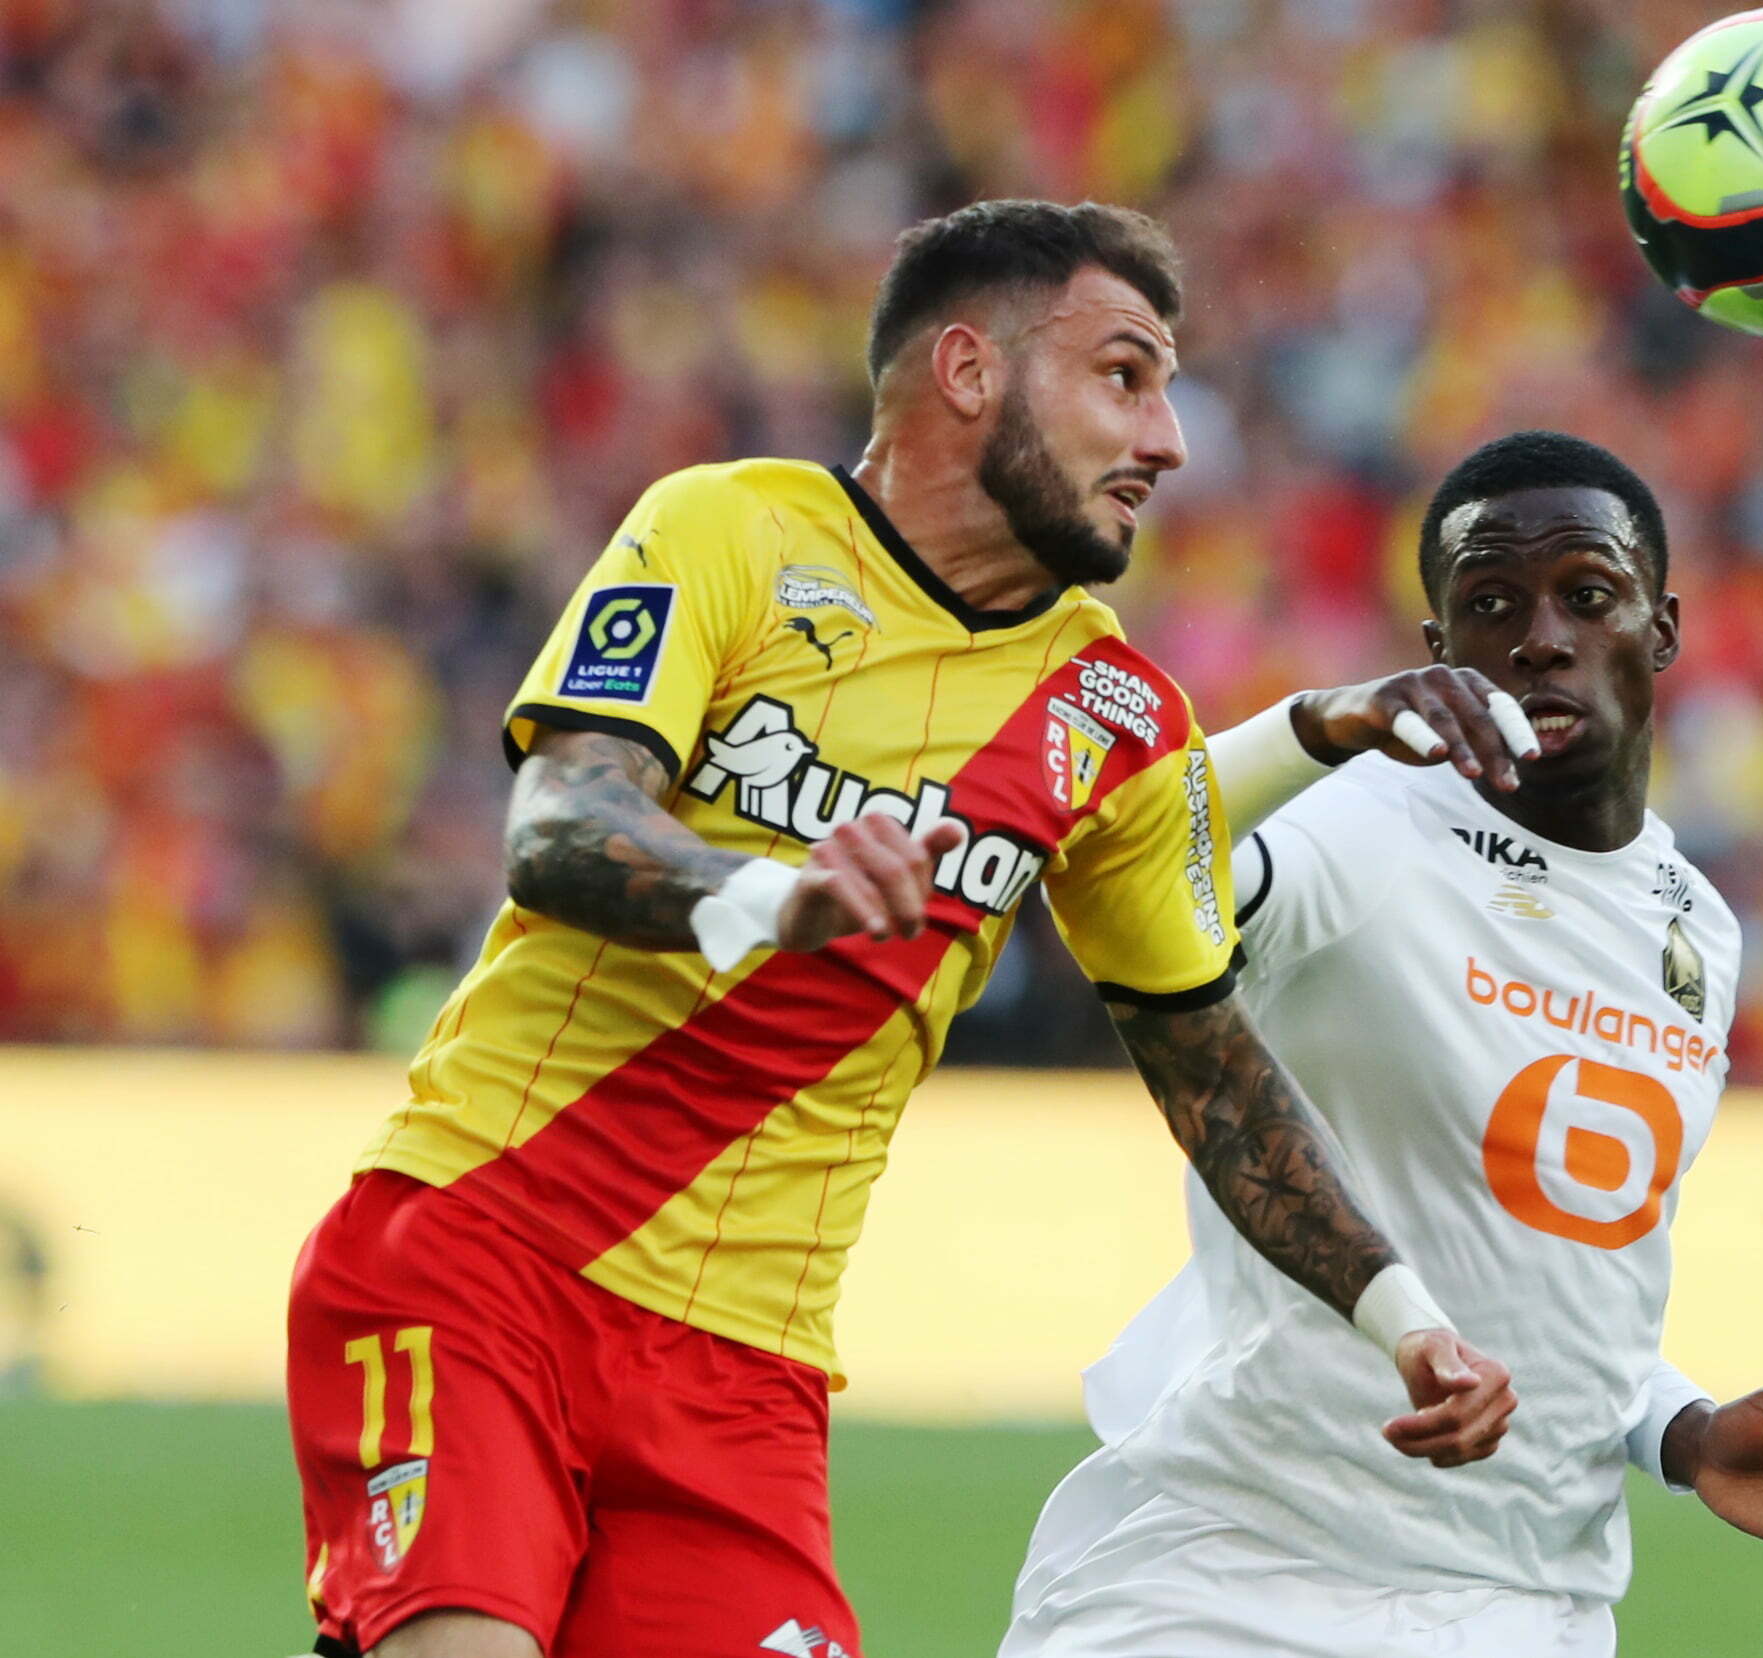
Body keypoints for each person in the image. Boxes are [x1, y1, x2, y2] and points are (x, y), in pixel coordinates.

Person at [283, 201, 1514, 1658]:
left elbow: (1215, 1074)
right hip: (487, 1255)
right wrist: (761, 898)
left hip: (743, 1375)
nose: (1170, 440)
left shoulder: (1114, 714)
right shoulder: (730, 529)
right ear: (970, 370)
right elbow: (559, 824)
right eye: (1124, 377)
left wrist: (1402, 1313)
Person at [1001, 431, 1763, 1657]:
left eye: (1587, 595)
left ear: (1661, 629)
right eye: (1492, 604)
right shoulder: (1368, 824)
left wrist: (1682, 1430)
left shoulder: (1695, 927)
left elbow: (1566, 1291)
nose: (1540, 637)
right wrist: (1318, 725)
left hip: (1524, 1606)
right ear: (1437, 649)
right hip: (1238, 1570)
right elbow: (1113, 851)